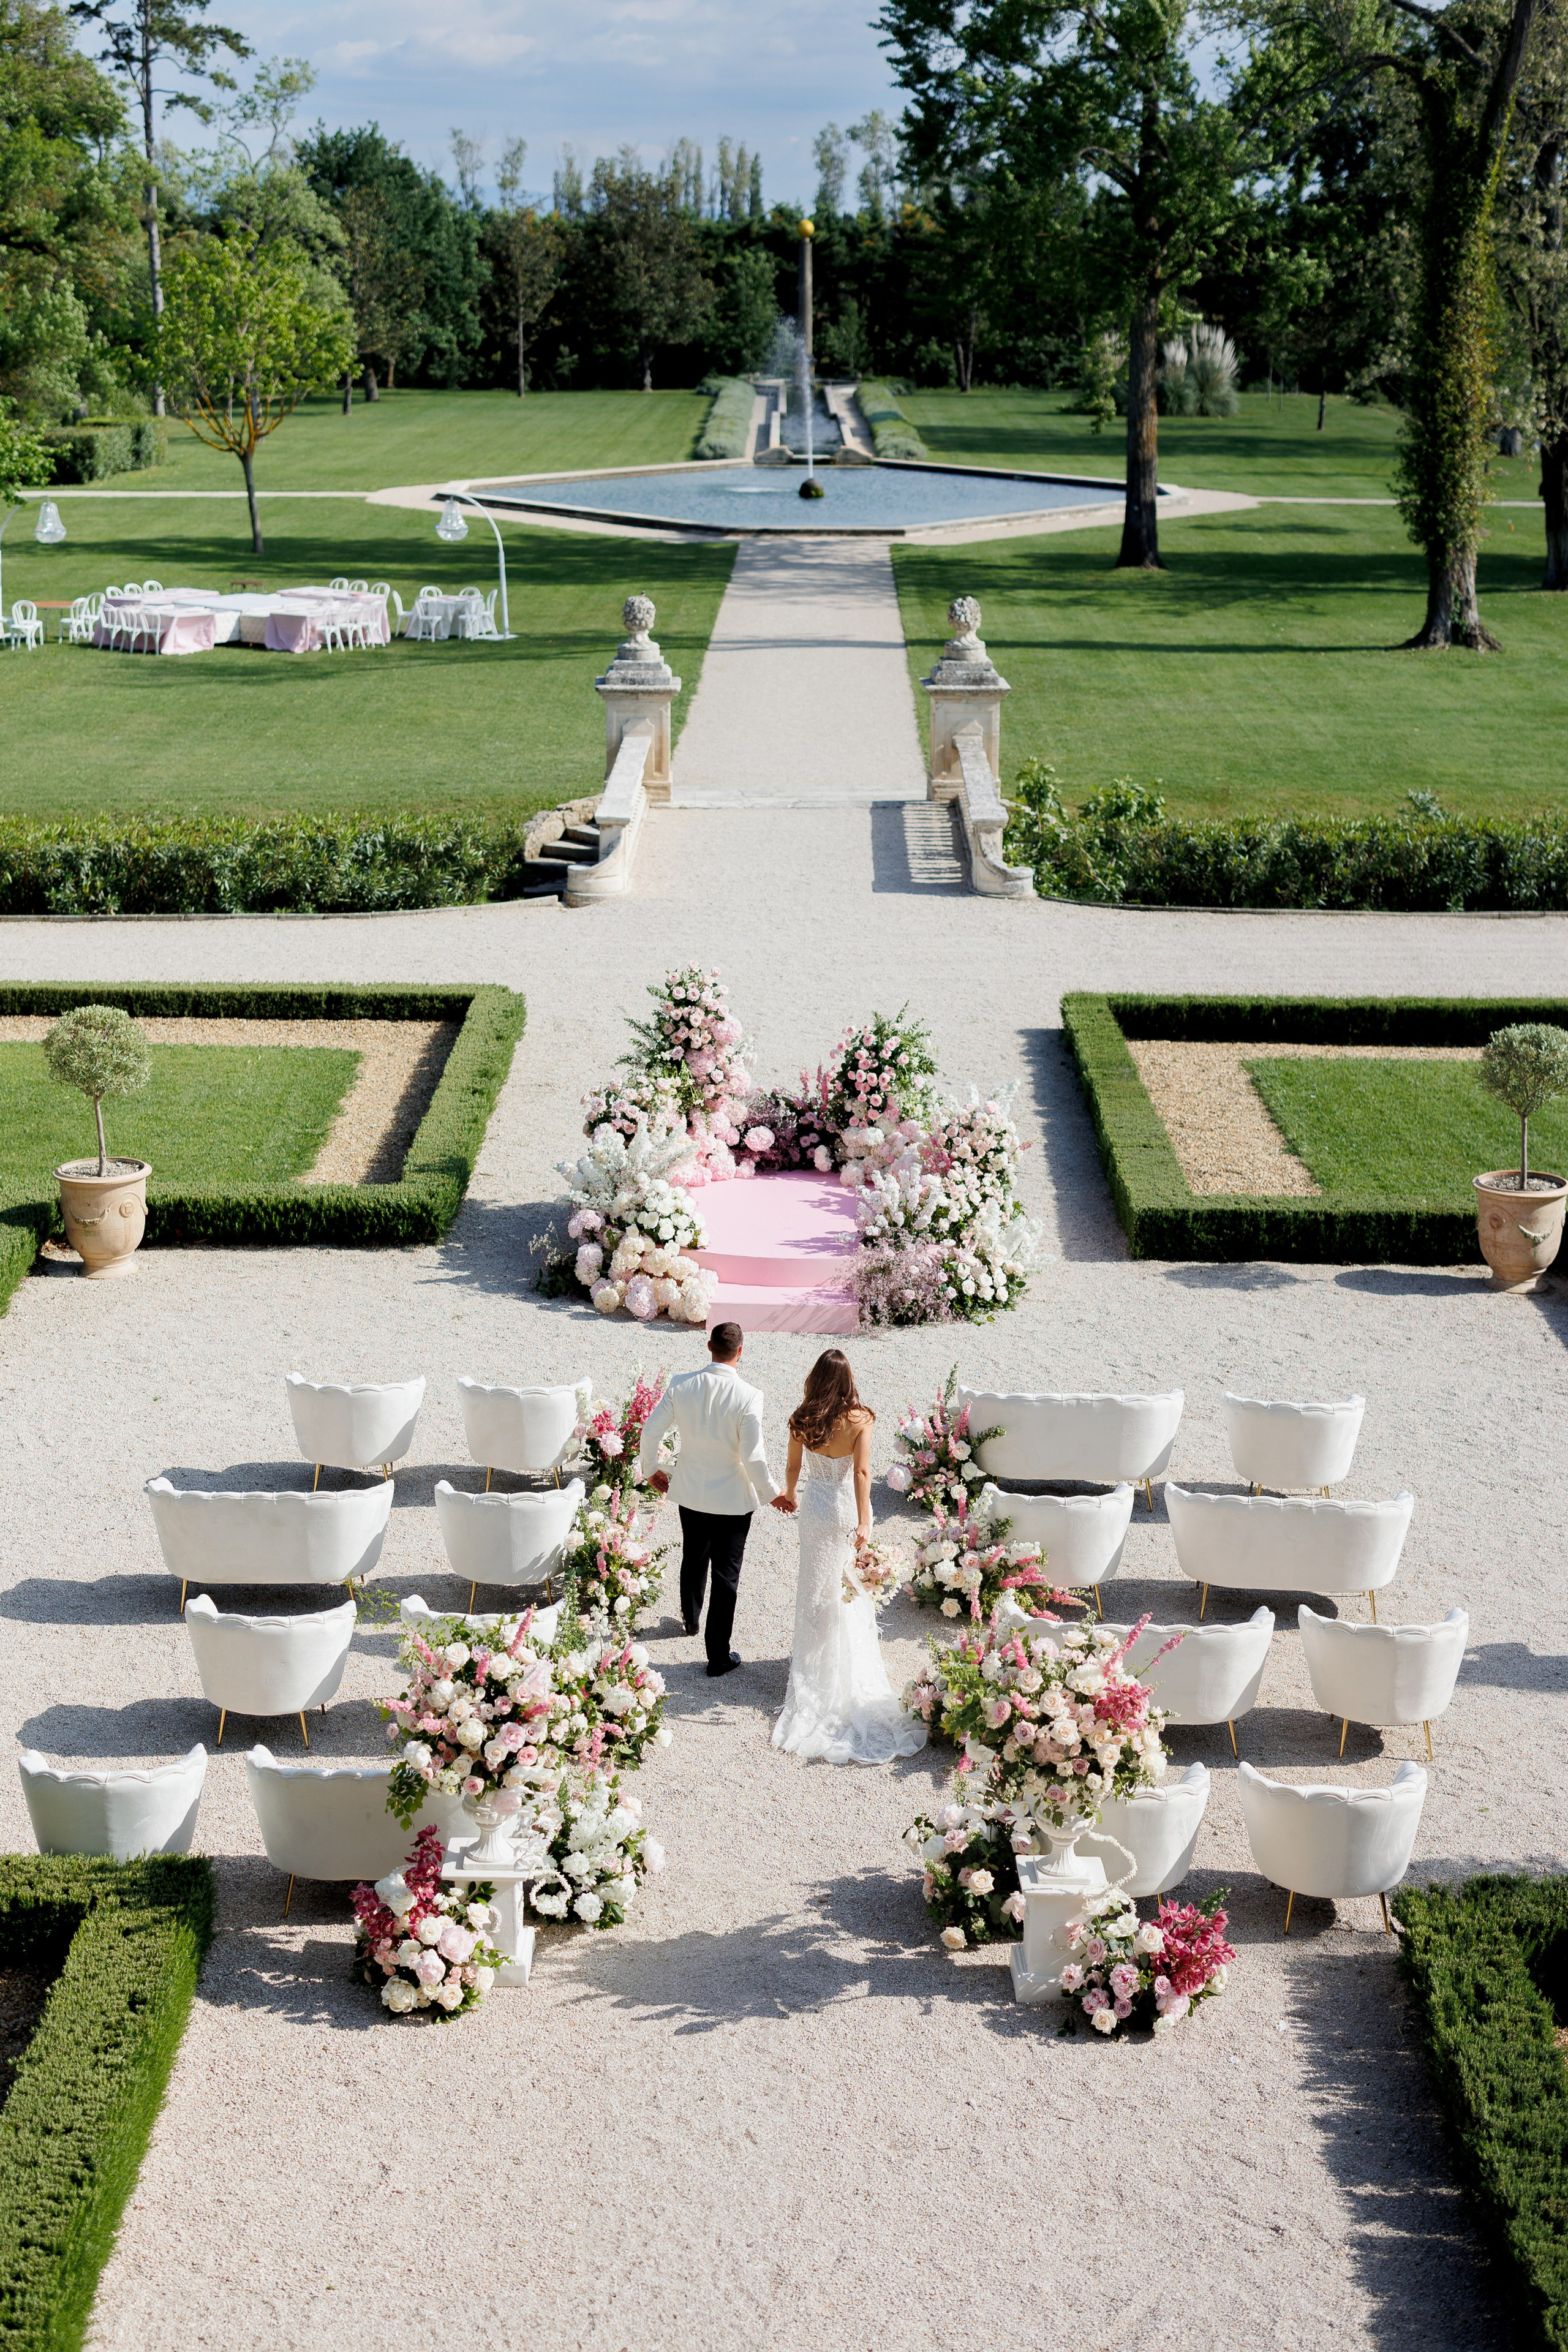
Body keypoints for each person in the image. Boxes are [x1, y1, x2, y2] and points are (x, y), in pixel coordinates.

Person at [771, 1349, 927, 1766]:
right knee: (849, 1587)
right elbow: (861, 1474)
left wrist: (788, 1495)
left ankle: (813, 1667)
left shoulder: (801, 1418)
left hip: (814, 1511)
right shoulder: (861, 1419)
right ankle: (844, 1662)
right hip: (842, 1509)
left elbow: (791, 1465)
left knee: (815, 1588)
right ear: (847, 1380)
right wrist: (863, 1521)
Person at [639, 1321, 793, 1678]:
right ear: (741, 1351)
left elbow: (651, 1430)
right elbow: (753, 1457)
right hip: (733, 1500)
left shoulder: (681, 1385)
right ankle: (717, 1656)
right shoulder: (751, 1396)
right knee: (726, 1576)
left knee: (693, 1555)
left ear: (709, 1346)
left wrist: (651, 1470)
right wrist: (773, 1495)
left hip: (691, 1491)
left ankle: (690, 1620)